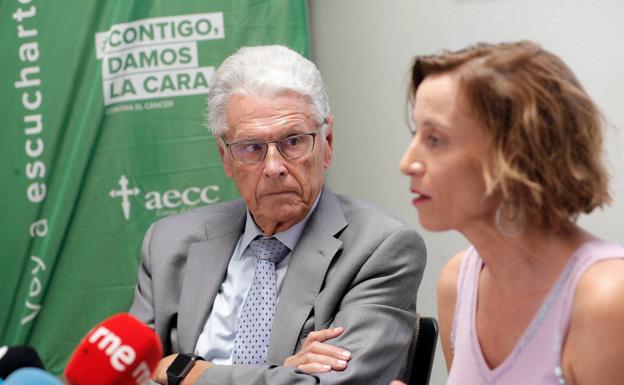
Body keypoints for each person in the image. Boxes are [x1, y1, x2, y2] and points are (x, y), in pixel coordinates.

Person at [129, 45, 427, 385]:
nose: (273, 167)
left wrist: (187, 372)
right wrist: (285, 374)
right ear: (225, 157)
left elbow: (341, 383)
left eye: (293, 141)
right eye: (251, 148)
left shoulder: (380, 247)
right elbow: (130, 375)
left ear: (327, 142)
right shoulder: (168, 243)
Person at [396, 41, 624, 385]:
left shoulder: (607, 298)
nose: (407, 163)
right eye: (416, 134)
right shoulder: (457, 282)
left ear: (515, 155)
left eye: (436, 139)